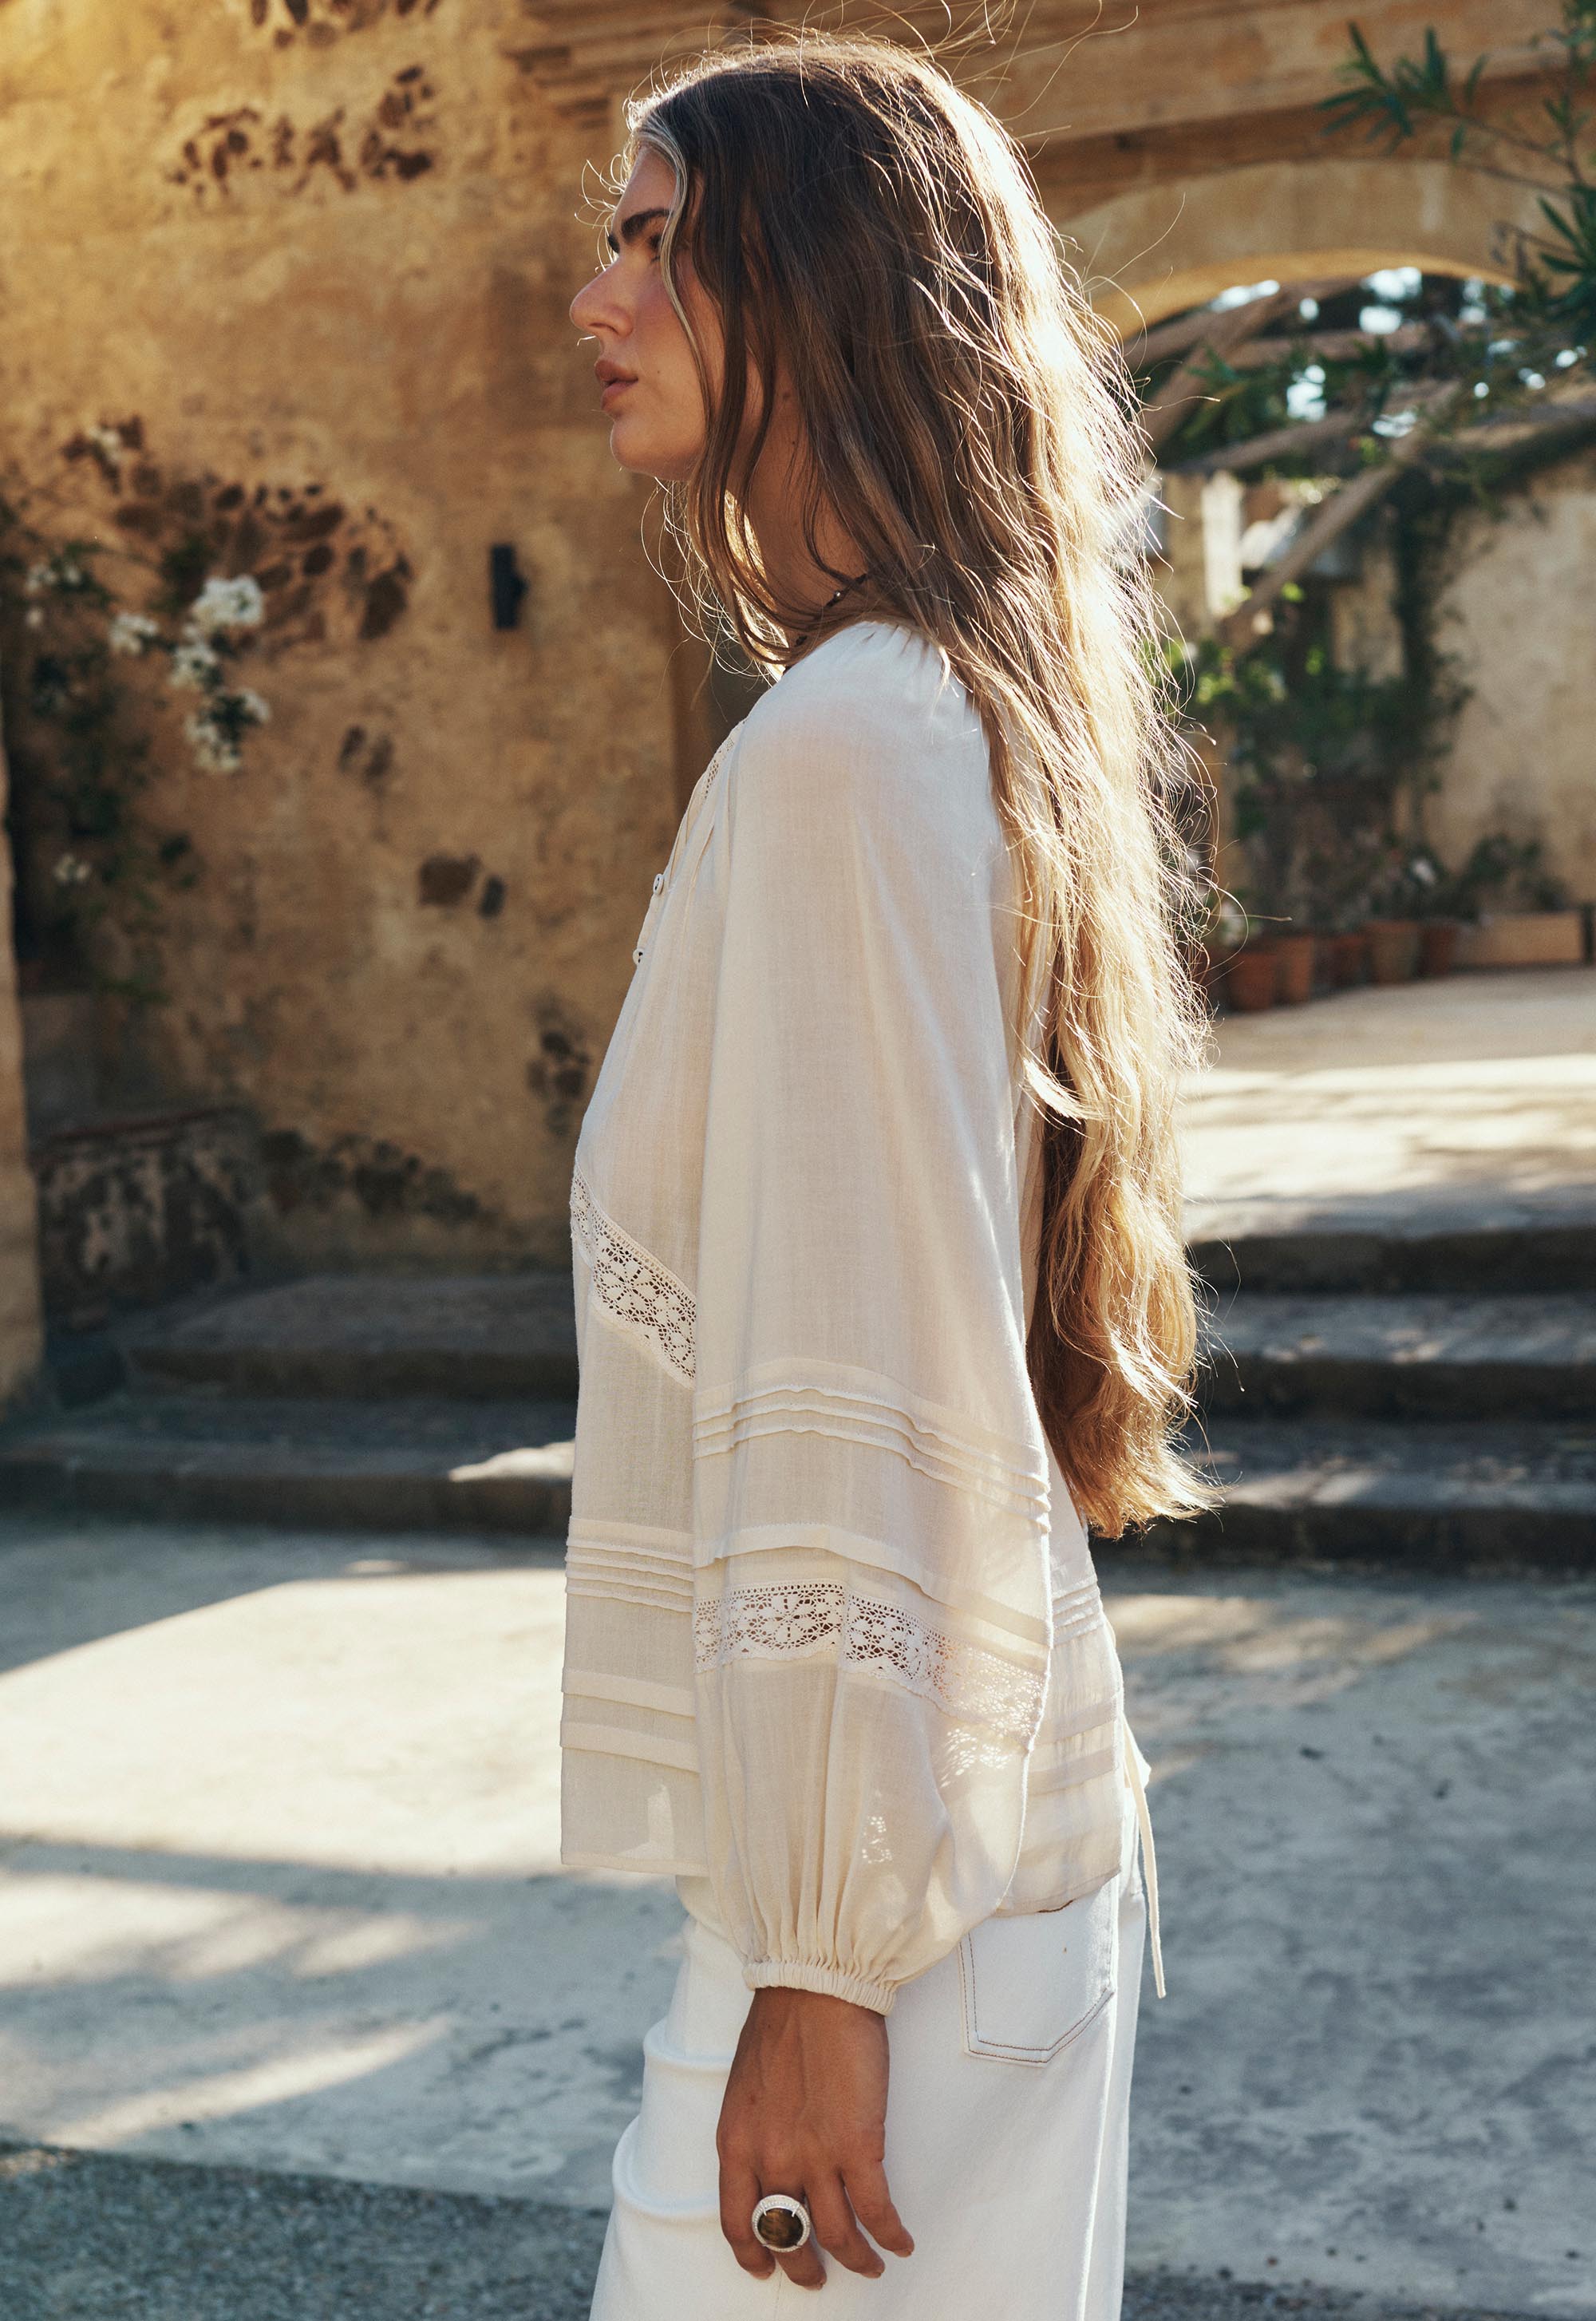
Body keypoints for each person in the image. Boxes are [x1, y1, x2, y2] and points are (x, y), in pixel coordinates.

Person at [563, 36, 1215, 2315]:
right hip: (971, 1844)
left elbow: (856, 1341)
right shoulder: (944, 710)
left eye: (652, 238)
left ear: (815, 283)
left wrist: (821, 1967)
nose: (597, 299)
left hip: (887, 1929)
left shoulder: (846, 751)